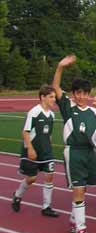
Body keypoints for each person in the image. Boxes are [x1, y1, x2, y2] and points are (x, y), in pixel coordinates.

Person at [53, 55, 96, 233]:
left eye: (85, 93)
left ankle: (73, 219)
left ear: (89, 94)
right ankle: (81, 228)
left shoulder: (94, 112)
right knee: (78, 189)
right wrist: (60, 67)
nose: (82, 97)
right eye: (78, 93)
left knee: (83, 190)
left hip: (89, 153)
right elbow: (55, 88)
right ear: (74, 94)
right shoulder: (68, 107)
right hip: (74, 152)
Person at [11, 85, 59, 218]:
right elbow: (25, 132)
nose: (54, 99)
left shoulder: (51, 114)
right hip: (32, 151)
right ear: (42, 97)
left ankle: (46, 207)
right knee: (31, 178)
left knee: (50, 177)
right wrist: (30, 149)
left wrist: (49, 146)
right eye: (51, 97)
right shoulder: (34, 112)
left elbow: (48, 133)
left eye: (54, 97)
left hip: (46, 152)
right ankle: (17, 195)